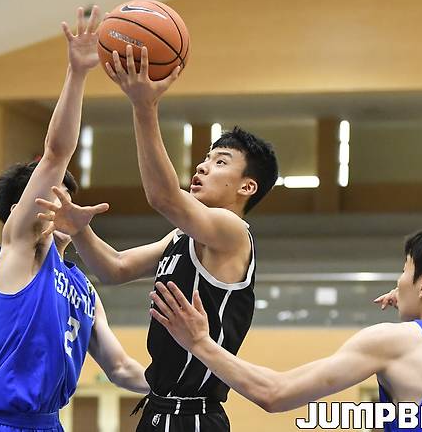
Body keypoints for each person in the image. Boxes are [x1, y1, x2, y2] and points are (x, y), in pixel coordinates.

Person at [35, 45, 279, 431]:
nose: (203, 166)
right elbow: (114, 269)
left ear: (247, 187)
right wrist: (81, 229)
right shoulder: (181, 236)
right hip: (156, 409)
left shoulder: (234, 233)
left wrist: (143, 105)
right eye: (205, 158)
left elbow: (163, 197)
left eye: (220, 162)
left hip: (195, 416)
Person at [0, 7, 148, 432]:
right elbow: (56, 155)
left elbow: (121, 368)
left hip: (52, 424)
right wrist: (78, 73)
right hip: (8, 424)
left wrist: (190, 382)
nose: (60, 204)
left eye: (66, 196)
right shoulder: (19, 253)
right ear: (19, 212)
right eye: (50, 195)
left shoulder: (83, 289)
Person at [149, 220, 422, 431]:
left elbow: (275, 393)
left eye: (404, 271)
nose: (398, 282)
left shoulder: (395, 341)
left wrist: (200, 342)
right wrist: (418, 302)